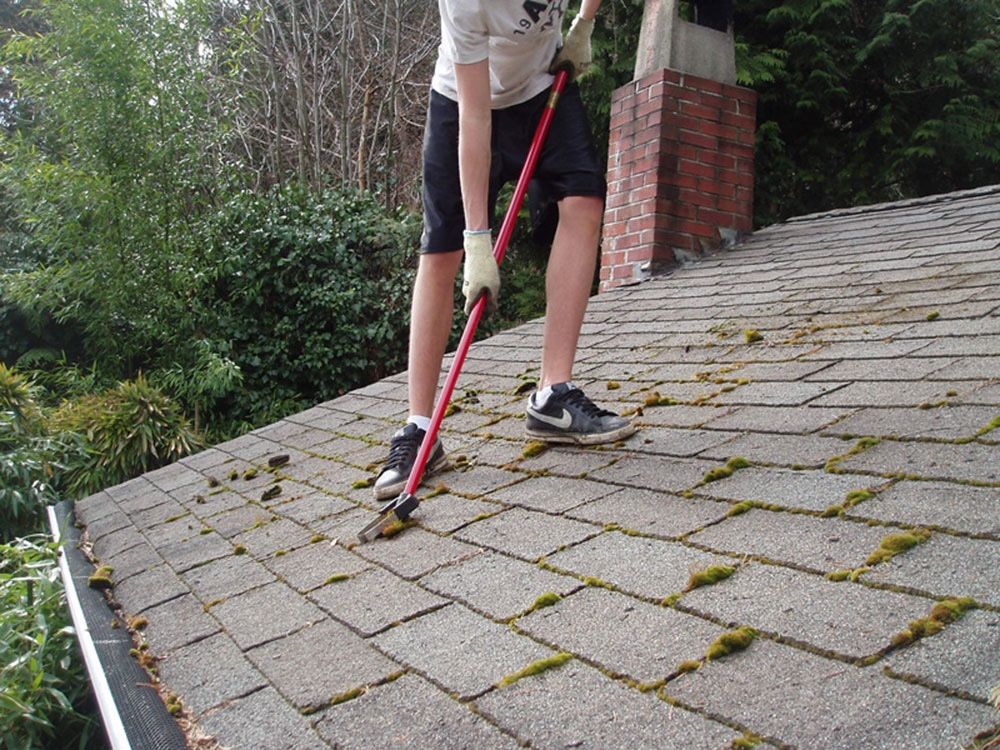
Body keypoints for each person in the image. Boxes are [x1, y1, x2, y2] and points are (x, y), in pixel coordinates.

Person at [373, 0, 635, 501]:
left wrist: (584, 24)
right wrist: (478, 239)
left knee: (582, 200)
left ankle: (552, 395)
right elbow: (475, 117)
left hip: (541, 85)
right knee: (443, 249)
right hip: (464, 103)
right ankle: (419, 431)